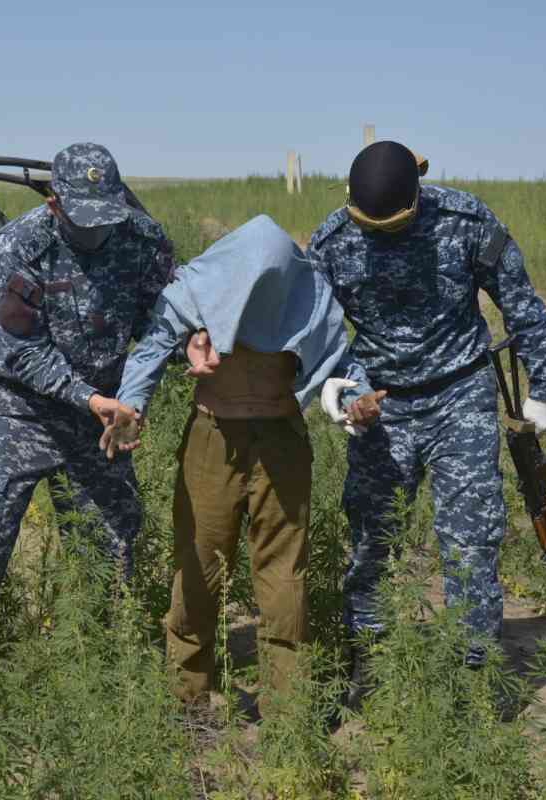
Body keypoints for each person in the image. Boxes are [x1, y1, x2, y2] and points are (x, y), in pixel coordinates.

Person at [309, 141, 546, 706]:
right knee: (373, 536)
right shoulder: (329, 241)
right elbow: (315, 331)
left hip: (459, 395)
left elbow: (521, 304)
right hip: (382, 401)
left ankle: (477, 673)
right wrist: (341, 388)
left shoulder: (467, 221)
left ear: (416, 198)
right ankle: (367, 661)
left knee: (470, 540)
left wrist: (543, 387)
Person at [101, 215, 379, 714]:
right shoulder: (198, 289)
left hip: (281, 444)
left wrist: (355, 401)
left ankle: (286, 710)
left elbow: (342, 368)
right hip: (213, 438)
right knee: (198, 565)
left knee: (283, 576)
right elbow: (151, 350)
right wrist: (130, 407)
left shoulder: (310, 296)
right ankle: (190, 697)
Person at [0, 142, 175, 673]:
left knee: (110, 549)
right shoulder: (22, 243)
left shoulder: (144, 240)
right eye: (85, 219)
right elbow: (17, 348)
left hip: (100, 419)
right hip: (20, 413)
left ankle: (101, 679)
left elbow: (161, 323)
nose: (98, 230)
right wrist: (90, 397)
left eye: (108, 215)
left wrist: (132, 396)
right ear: (55, 203)